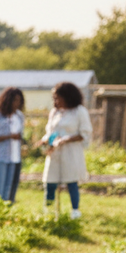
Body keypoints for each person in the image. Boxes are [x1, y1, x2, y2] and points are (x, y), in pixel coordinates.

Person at [40, 81, 92, 220]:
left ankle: (75, 211)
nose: (55, 102)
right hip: (55, 152)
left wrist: (65, 139)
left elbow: (84, 134)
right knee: (50, 181)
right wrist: (45, 140)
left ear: (67, 97)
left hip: (71, 152)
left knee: (71, 181)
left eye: (58, 98)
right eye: (54, 98)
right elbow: (50, 132)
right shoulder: (55, 113)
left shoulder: (79, 111)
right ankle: (49, 211)